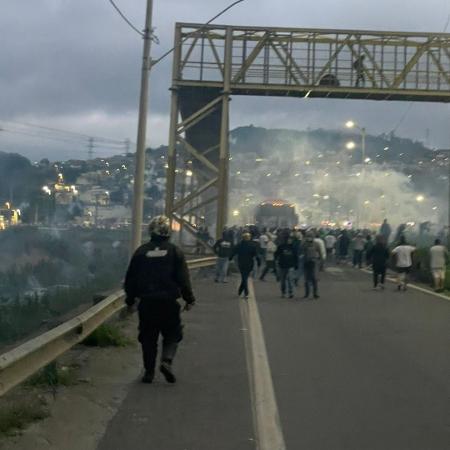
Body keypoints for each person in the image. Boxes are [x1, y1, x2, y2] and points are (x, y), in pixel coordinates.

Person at [124, 215, 196, 384]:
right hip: (168, 303)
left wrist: (130, 301)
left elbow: (131, 279)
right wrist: (189, 298)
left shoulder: (141, 252)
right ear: (168, 233)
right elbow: (183, 278)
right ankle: (167, 360)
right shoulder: (174, 251)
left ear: (150, 231)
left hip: (147, 303)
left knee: (148, 338)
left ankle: (148, 373)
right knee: (173, 333)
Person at [230, 232, 260, 299]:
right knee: (245, 277)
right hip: (249, 263)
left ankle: (241, 290)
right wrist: (259, 262)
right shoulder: (252, 245)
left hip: (241, 263)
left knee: (244, 277)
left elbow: (233, 252)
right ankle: (246, 292)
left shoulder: (239, 245)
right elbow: (256, 255)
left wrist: (230, 258)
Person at [274, 234, 298, 298]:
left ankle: (291, 292)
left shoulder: (293, 247)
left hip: (291, 266)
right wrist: (276, 262)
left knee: (290, 280)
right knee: (283, 280)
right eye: (288, 239)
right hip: (282, 265)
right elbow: (276, 254)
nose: (289, 240)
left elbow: (296, 257)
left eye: (290, 239)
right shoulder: (281, 247)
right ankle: (283, 292)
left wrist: (296, 265)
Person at [303, 231, 323, 299]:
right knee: (306, 279)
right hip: (306, 262)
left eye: (310, 236)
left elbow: (320, 253)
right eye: (308, 236)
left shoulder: (316, 244)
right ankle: (307, 293)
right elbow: (300, 251)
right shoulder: (304, 244)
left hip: (314, 262)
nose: (309, 238)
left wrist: (321, 261)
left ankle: (315, 293)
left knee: (314, 278)